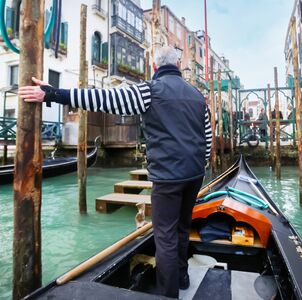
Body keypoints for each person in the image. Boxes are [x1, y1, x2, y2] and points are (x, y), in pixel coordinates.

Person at [18, 46, 212, 298]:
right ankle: (183, 277)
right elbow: (206, 139)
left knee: (165, 236)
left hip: (168, 176)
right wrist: (202, 164)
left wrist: (52, 94)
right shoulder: (198, 96)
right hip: (194, 173)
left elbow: (103, 99)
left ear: (155, 67)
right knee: (183, 227)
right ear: (178, 66)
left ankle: (168, 294)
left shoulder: (149, 90)